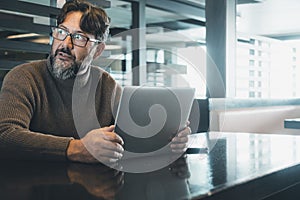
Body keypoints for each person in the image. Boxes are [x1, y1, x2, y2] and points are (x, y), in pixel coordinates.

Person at [0, 0, 190, 164]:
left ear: (98, 51)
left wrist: (169, 143)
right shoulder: (24, 77)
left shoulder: (107, 85)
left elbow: (132, 140)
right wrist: (75, 148)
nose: (65, 44)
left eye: (79, 37)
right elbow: (5, 135)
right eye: (61, 32)